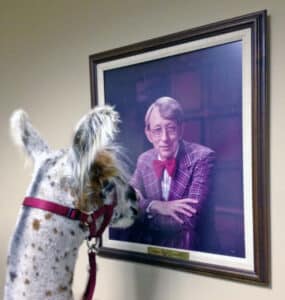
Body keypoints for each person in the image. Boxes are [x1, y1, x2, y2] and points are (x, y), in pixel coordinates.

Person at [130, 96, 215, 250]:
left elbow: (188, 220)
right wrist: (155, 206)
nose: (164, 138)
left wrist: (143, 211)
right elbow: (127, 202)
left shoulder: (202, 158)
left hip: (190, 252)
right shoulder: (144, 160)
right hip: (150, 250)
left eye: (171, 128)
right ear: (148, 134)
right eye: (157, 130)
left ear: (181, 129)